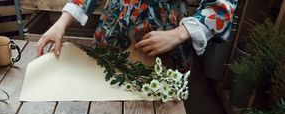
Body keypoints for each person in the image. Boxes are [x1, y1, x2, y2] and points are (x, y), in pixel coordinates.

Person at [36, 0, 238, 71]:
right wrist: (61, 22)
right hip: (111, 40)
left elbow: (222, 6)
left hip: (164, 45)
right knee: (103, 112)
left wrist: (178, 34)